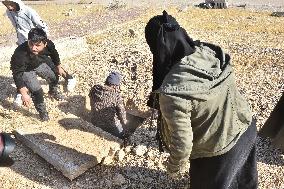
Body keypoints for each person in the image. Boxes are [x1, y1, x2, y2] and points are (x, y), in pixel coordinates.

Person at [145, 11, 258, 188]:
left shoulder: (172, 92)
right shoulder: (209, 53)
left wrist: (174, 168)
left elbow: (182, 145)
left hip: (219, 149)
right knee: (243, 182)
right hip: (246, 128)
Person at [2, 0, 76, 105]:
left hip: (37, 44)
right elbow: (17, 28)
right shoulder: (10, 12)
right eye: (5, 4)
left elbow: (44, 27)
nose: (9, 7)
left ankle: (69, 78)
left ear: (16, 1)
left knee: (52, 66)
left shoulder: (29, 12)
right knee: (22, 69)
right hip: (25, 45)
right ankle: (21, 92)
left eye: (11, 3)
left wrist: (40, 44)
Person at [10, 27, 65, 121]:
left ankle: (53, 91)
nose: (33, 48)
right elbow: (17, 74)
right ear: (28, 41)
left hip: (39, 62)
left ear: (45, 44)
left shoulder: (49, 44)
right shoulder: (19, 53)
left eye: (37, 45)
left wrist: (59, 67)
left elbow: (54, 54)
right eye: (31, 44)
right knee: (37, 91)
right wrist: (23, 93)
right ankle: (42, 112)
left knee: (54, 76)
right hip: (26, 70)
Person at [89, 72, 128, 139]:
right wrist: (125, 125)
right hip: (111, 127)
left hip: (95, 122)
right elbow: (122, 114)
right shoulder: (116, 96)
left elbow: (90, 96)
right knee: (122, 133)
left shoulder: (95, 89)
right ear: (114, 86)